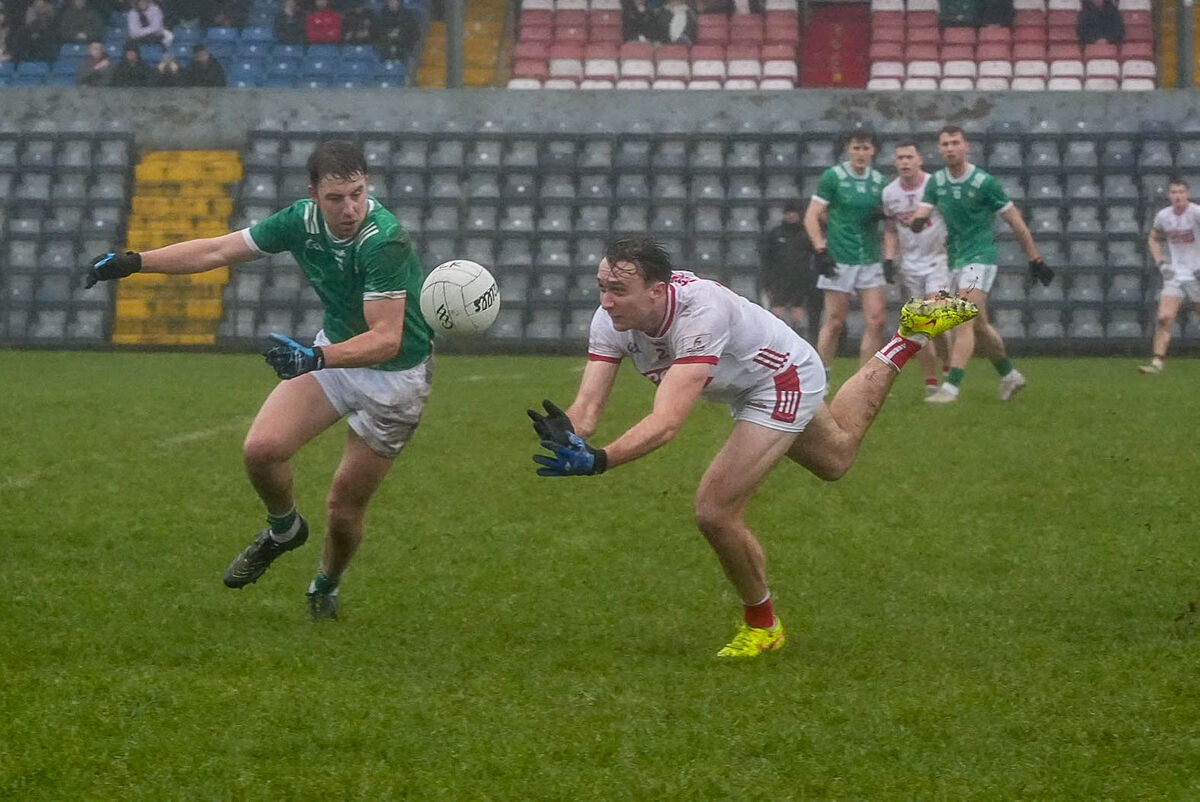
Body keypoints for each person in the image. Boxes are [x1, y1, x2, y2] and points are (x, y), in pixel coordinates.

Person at [527, 236, 978, 657]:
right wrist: (570, 433)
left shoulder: (699, 312)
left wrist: (600, 461)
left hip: (780, 379)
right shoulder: (611, 320)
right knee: (835, 459)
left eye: (619, 289)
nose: (607, 300)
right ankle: (910, 336)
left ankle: (763, 626)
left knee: (714, 509)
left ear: (657, 291)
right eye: (602, 287)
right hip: (747, 385)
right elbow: (586, 407)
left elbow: (666, 422)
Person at [83, 141, 435, 621]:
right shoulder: (299, 221)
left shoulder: (383, 239)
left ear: (366, 186)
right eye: (336, 198)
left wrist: (315, 357)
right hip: (332, 355)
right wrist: (135, 262)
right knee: (261, 451)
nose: (349, 208)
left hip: (395, 380)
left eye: (357, 193)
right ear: (313, 194)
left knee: (342, 509)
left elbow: (387, 339)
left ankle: (324, 586)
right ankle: (285, 529)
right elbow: (218, 249)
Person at [908, 125, 1053, 403]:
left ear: (966, 147)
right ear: (940, 149)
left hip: (980, 258)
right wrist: (917, 220)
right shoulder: (936, 182)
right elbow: (923, 209)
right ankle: (1010, 375)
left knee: (962, 319)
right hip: (955, 259)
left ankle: (951, 388)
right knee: (979, 326)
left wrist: (1035, 258)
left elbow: (1016, 222)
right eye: (945, 144)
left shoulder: (984, 182)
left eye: (955, 142)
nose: (950, 148)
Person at [803, 126, 890, 373]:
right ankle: (822, 375)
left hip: (870, 258)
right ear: (848, 150)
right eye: (856, 148)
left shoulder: (880, 181)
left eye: (865, 148)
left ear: (873, 151)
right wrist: (821, 249)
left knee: (876, 320)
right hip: (840, 257)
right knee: (834, 322)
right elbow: (811, 216)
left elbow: (890, 218)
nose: (861, 153)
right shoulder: (834, 177)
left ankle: (864, 379)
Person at [881, 141, 952, 395]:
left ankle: (948, 366)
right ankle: (931, 382)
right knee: (919, 325)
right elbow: (891, 229)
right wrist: (889, 258)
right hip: (909, 265)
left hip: (937, 261)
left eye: (909, 157)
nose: (904, 162)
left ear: (919, 160)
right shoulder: (890, 193)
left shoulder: (935, 186)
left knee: (936, 321)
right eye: (900, 157)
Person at [1139, 178, 1200, 374]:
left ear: (1187, 194)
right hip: (1175, 273)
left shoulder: (1196, 213)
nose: (1178, 196)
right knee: (1165, 317)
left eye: (1181, 191)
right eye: (1174, 192)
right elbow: (1153, 238)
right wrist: (1161, 263)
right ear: (1169, 195)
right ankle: (1157, 362)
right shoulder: (1163, 216)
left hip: (1197, 272)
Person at [759, 200, 818, 341]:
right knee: (777, 311)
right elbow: (766, 259)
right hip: (778, 280)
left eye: (794, 213)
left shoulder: (805, 235)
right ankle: (778, 339)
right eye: (788, 213)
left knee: (797, 309)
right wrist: (767, 282)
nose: (791, 216)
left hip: (800, 280)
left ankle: (799, 338)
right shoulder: (775, 234)